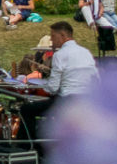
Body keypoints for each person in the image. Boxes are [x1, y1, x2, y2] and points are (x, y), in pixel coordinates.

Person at [18, 21, 96, 155]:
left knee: (26, 109)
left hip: (67, 101)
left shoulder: (60, 55)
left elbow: (52, 88)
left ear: (63, 35)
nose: (52, 41)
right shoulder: (86, 53)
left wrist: (45, 84)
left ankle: (31, 148)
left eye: (53, 37)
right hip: (86, 100)